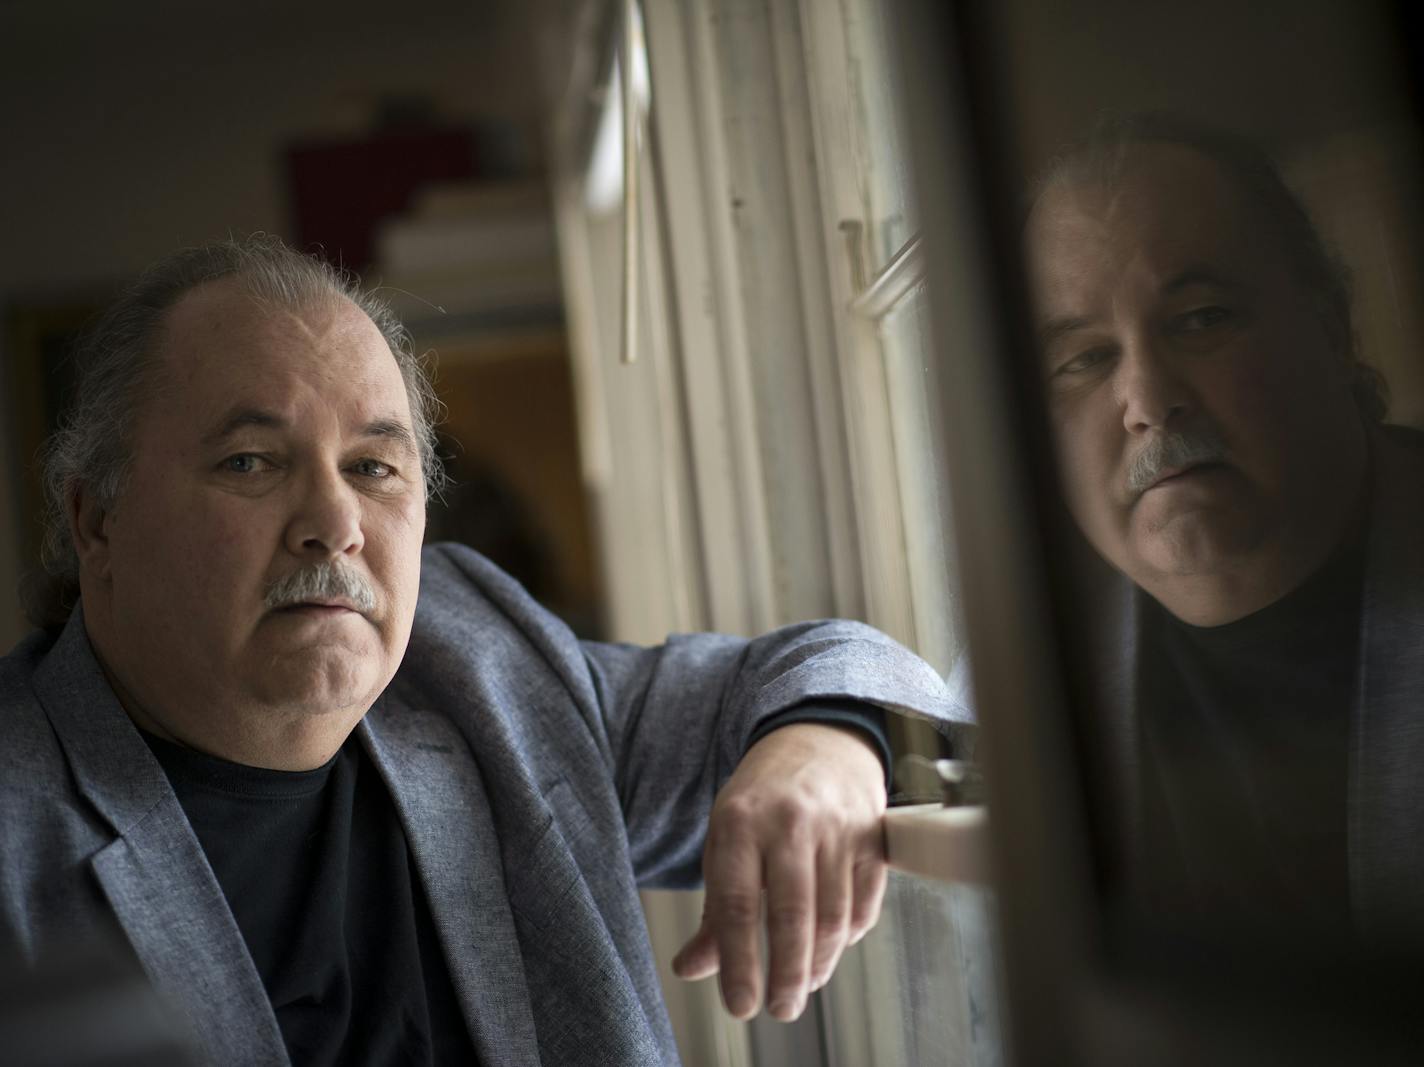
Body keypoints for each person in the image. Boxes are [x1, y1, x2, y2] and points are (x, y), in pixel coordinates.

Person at [0, 237, 962, 1066]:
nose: (335, 523)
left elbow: (844, 667)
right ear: (99, 522)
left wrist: (827, 744)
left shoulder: (478, 662)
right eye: (250, 462)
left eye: (374, 467)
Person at [1020, 113, 1424, 944]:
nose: (1148, 401)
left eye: (1202, 318)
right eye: (1085, 359)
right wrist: (832, 740)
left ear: (1332, 326)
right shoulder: (1036, 659)